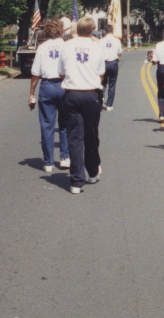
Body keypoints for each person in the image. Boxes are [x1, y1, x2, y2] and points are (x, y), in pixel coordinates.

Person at [58, 16, 106, 194]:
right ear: (93, 30)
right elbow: (101, 74)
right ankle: (92, 172)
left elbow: (61, 72)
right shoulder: (97, 47)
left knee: (75, 137)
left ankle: (76, 181)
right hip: (90, 93)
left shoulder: (67, 46)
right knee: (91, 135)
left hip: (72, 94)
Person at [28, 19, 69, 173]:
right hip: (64, 85)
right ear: (61, 31)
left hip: (47, 85)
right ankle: (65, 157)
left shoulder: (42, 48)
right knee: (65, 122)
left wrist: (32, 93)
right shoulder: (66, 46)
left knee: (47, 124)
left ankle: (48, 162)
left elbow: (35, 73)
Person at [100, 24, 122, 111]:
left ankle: (101, 99)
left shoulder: (102, 41)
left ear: (105, 31)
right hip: (113, 63)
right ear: (112, 31)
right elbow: (119, 53)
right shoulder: (116, 41)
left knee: (102, 83)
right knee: (112, 84)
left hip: (103, 63)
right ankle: (109, 105)